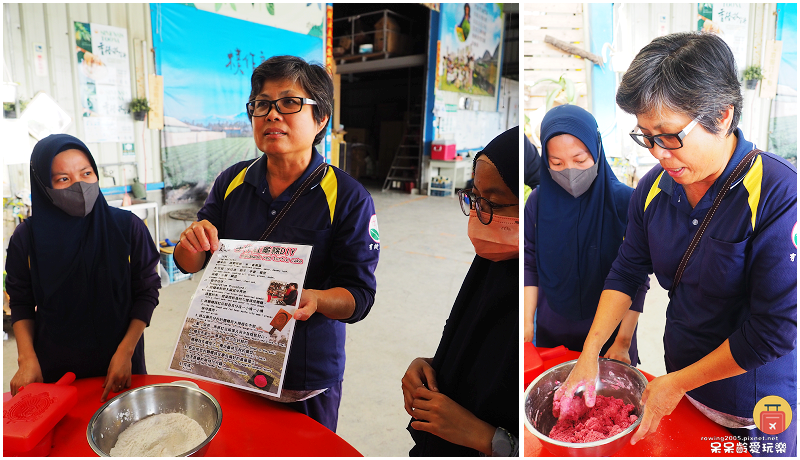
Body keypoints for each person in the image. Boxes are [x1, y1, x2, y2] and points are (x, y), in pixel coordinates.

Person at [556, 32, 797, 456]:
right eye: (645, 136)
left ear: (722, 115)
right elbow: (628, 271)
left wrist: (678, 383)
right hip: (680, 386)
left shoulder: (779, 193)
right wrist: (591, 353)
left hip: (754, 407)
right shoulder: (653, 188)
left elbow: (774, 329)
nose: (658, 153)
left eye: (668, 135)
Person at [174, 55, 379, 432]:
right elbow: (192, 262)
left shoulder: (349, 197)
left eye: (289, 103)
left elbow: (359, 295)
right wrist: (190, 242)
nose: (271, 114)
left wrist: (315, 299)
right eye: (261, 104)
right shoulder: (231, 182)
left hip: (304, 375)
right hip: (232, 360)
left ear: (321, 118)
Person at [5, 134, 160, 403]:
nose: (79, 185)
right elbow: (21, 301)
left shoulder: (128, 228)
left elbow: (147, 291)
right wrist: (26, 358)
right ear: (43, 185)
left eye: (86, 173)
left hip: (121, 362)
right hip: (56, 367)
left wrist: (126, 352)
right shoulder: (26, 238)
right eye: (63, 179)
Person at [402, 127, 519, 456]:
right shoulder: (490, 265)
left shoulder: (538, 287)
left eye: (495, 202)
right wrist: (433, 366)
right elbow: (478, 352)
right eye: (476, 198)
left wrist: (488, 438)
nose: (481, 215)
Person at [524, 104, 649, 366]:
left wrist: (623, 341)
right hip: (551, 328)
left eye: (580, 161)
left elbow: (637, 277)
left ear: (596, 149)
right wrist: (526, 328)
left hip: (612, 332)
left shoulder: (625, 201)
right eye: (557, 163)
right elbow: (529, 265)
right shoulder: (537, 202)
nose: (570, 172)